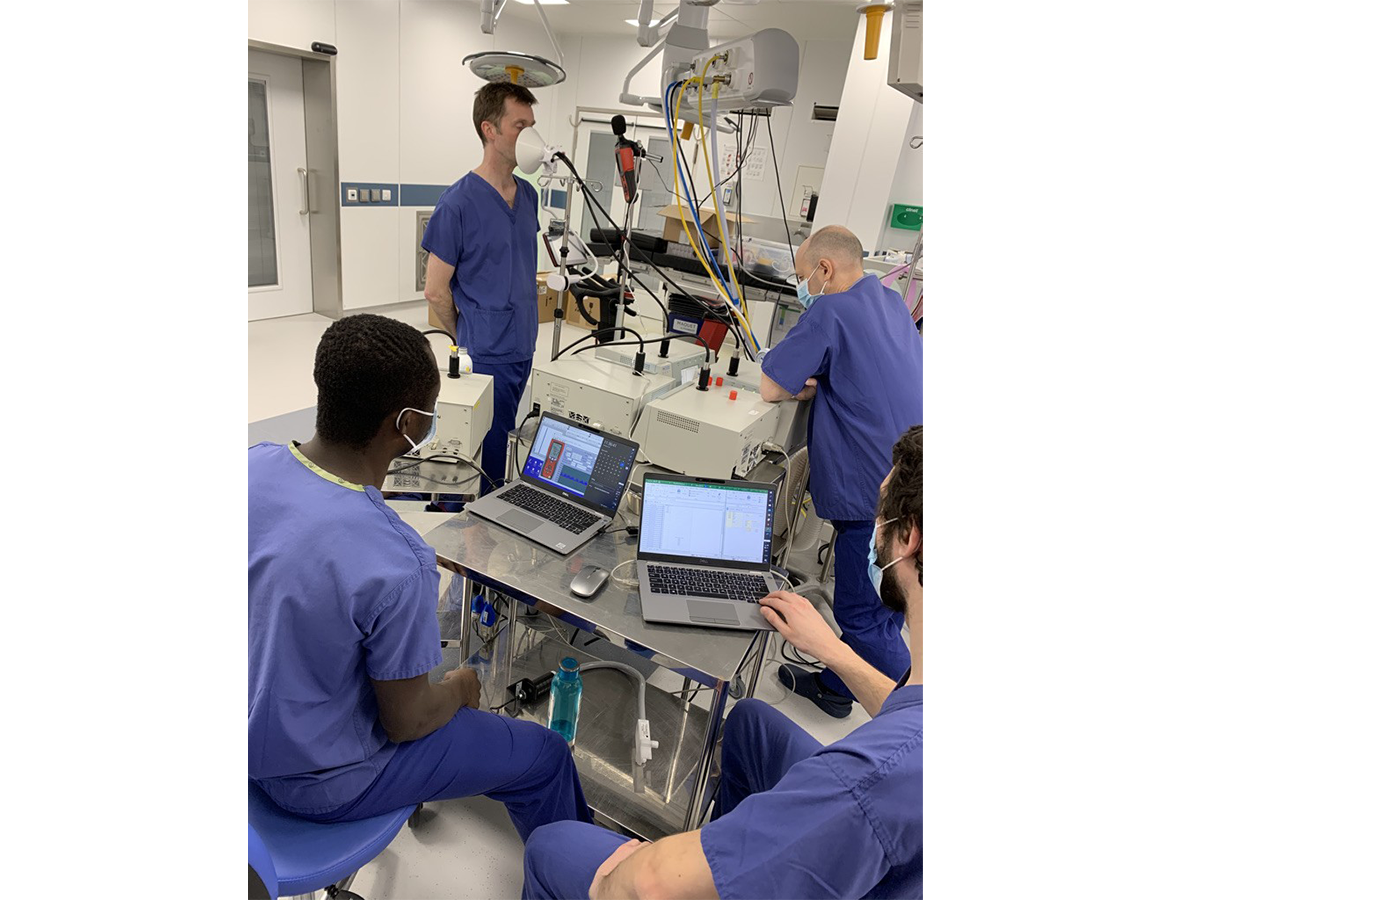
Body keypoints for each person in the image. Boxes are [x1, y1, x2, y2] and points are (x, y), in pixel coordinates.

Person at [521, 426, 924, 900]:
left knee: (550, 846)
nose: (873, 526)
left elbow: (648, 884)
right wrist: (830, 649)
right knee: (750, 721)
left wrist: (634, 871)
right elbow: (907, 714)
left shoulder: (863, 781)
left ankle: (716, 872)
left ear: (907, 537)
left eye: (880, 511)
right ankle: (720, 846)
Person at [248, 313, 591, 841]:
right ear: (407, 424)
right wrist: (457, 688)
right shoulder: (399, 560)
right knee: (545, 755)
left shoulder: (252, 466)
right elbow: (406, 722)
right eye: (431, 413)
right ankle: (577, 871)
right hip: (323, 782)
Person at [758, 225, 923, 718]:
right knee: (884, 605)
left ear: (825, 269)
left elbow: (770, 386)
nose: (802, 286)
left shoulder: (829, 311)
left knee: (862, 619)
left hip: (872, 498)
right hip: (912, 480)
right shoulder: (891, 302)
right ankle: (836, 686)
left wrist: (806, 384)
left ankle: (914, 721)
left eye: (803, 275)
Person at [422, 82, 542, 493]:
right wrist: (466, 336)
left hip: (523, 344)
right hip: (486, 351)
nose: (530, 135)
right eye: (520, 125)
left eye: (532, 125)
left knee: (505, 438)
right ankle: (481, 524)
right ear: (489, 130)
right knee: (487, 454)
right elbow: (435, 290)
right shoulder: (457, 203)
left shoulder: (528, 196)